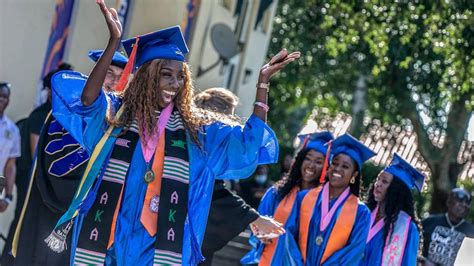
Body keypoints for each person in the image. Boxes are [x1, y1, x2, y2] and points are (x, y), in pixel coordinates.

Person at [35, 1, 300, 265]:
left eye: (180, 76)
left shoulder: (196, 132)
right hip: (108, 238)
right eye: (166, 75)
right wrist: (113, 44)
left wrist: (262, 85)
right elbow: (87, 101)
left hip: (158, 246)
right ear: (148, 77)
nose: (175, 84)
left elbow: (247, 142)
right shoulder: (117, 118)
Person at [6, 52, 125, 266]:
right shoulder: (68, 112)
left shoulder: (119, 122)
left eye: (120, 76)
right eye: (108, 73)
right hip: (54, 200)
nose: (115, 81)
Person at [194, 87, 284, 265]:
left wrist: (251, 218)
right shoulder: (201, 145)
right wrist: (252, 217)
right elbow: (212, 194)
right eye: (230, 116)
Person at [276, 133, 375, 265]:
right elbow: (289, 237)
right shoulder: (304, 198)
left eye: (345, 166)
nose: (338, 169)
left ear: (354, 174)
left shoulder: (361, 213)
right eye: (335, 163)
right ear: (328, 167)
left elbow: (353, 253)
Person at [241, 131, 334, 265]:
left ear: (326, 168)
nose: (311, 165)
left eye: (319, 162)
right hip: (269, 259)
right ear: (300, 160)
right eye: (308, 158)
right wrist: (260, 234)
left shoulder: (324, 204)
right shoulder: (277, 193)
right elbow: (257, 225)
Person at [360, 153, 424, 265]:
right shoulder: (364, 213)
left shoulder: (407, 229)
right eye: (378, 179)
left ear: (396, 190)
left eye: (384, 182)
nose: (377, 184)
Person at [422, 188, 474, 266]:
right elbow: (413, 247)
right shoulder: (429, 222)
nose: (464, 205)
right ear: (449, 202)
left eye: (467, 202)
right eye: (460, 201)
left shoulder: (471, 232)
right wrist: (423, 260)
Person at [0, 82, 20, 261]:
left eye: (4, 96)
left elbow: (10, 165)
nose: (1, 99)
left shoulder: (12, 130)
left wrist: (8, 195)